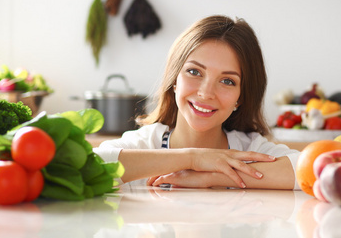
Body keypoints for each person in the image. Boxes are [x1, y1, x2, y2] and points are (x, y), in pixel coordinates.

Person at [94, 15, 300, 189]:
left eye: (227, 81)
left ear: (241, 97)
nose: (206, 93)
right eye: (194, 72)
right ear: (174, 80)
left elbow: (313, 169)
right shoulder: (142, 146)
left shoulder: (251, 150)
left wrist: (212, 176)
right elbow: (90, 166)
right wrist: (193, 158)